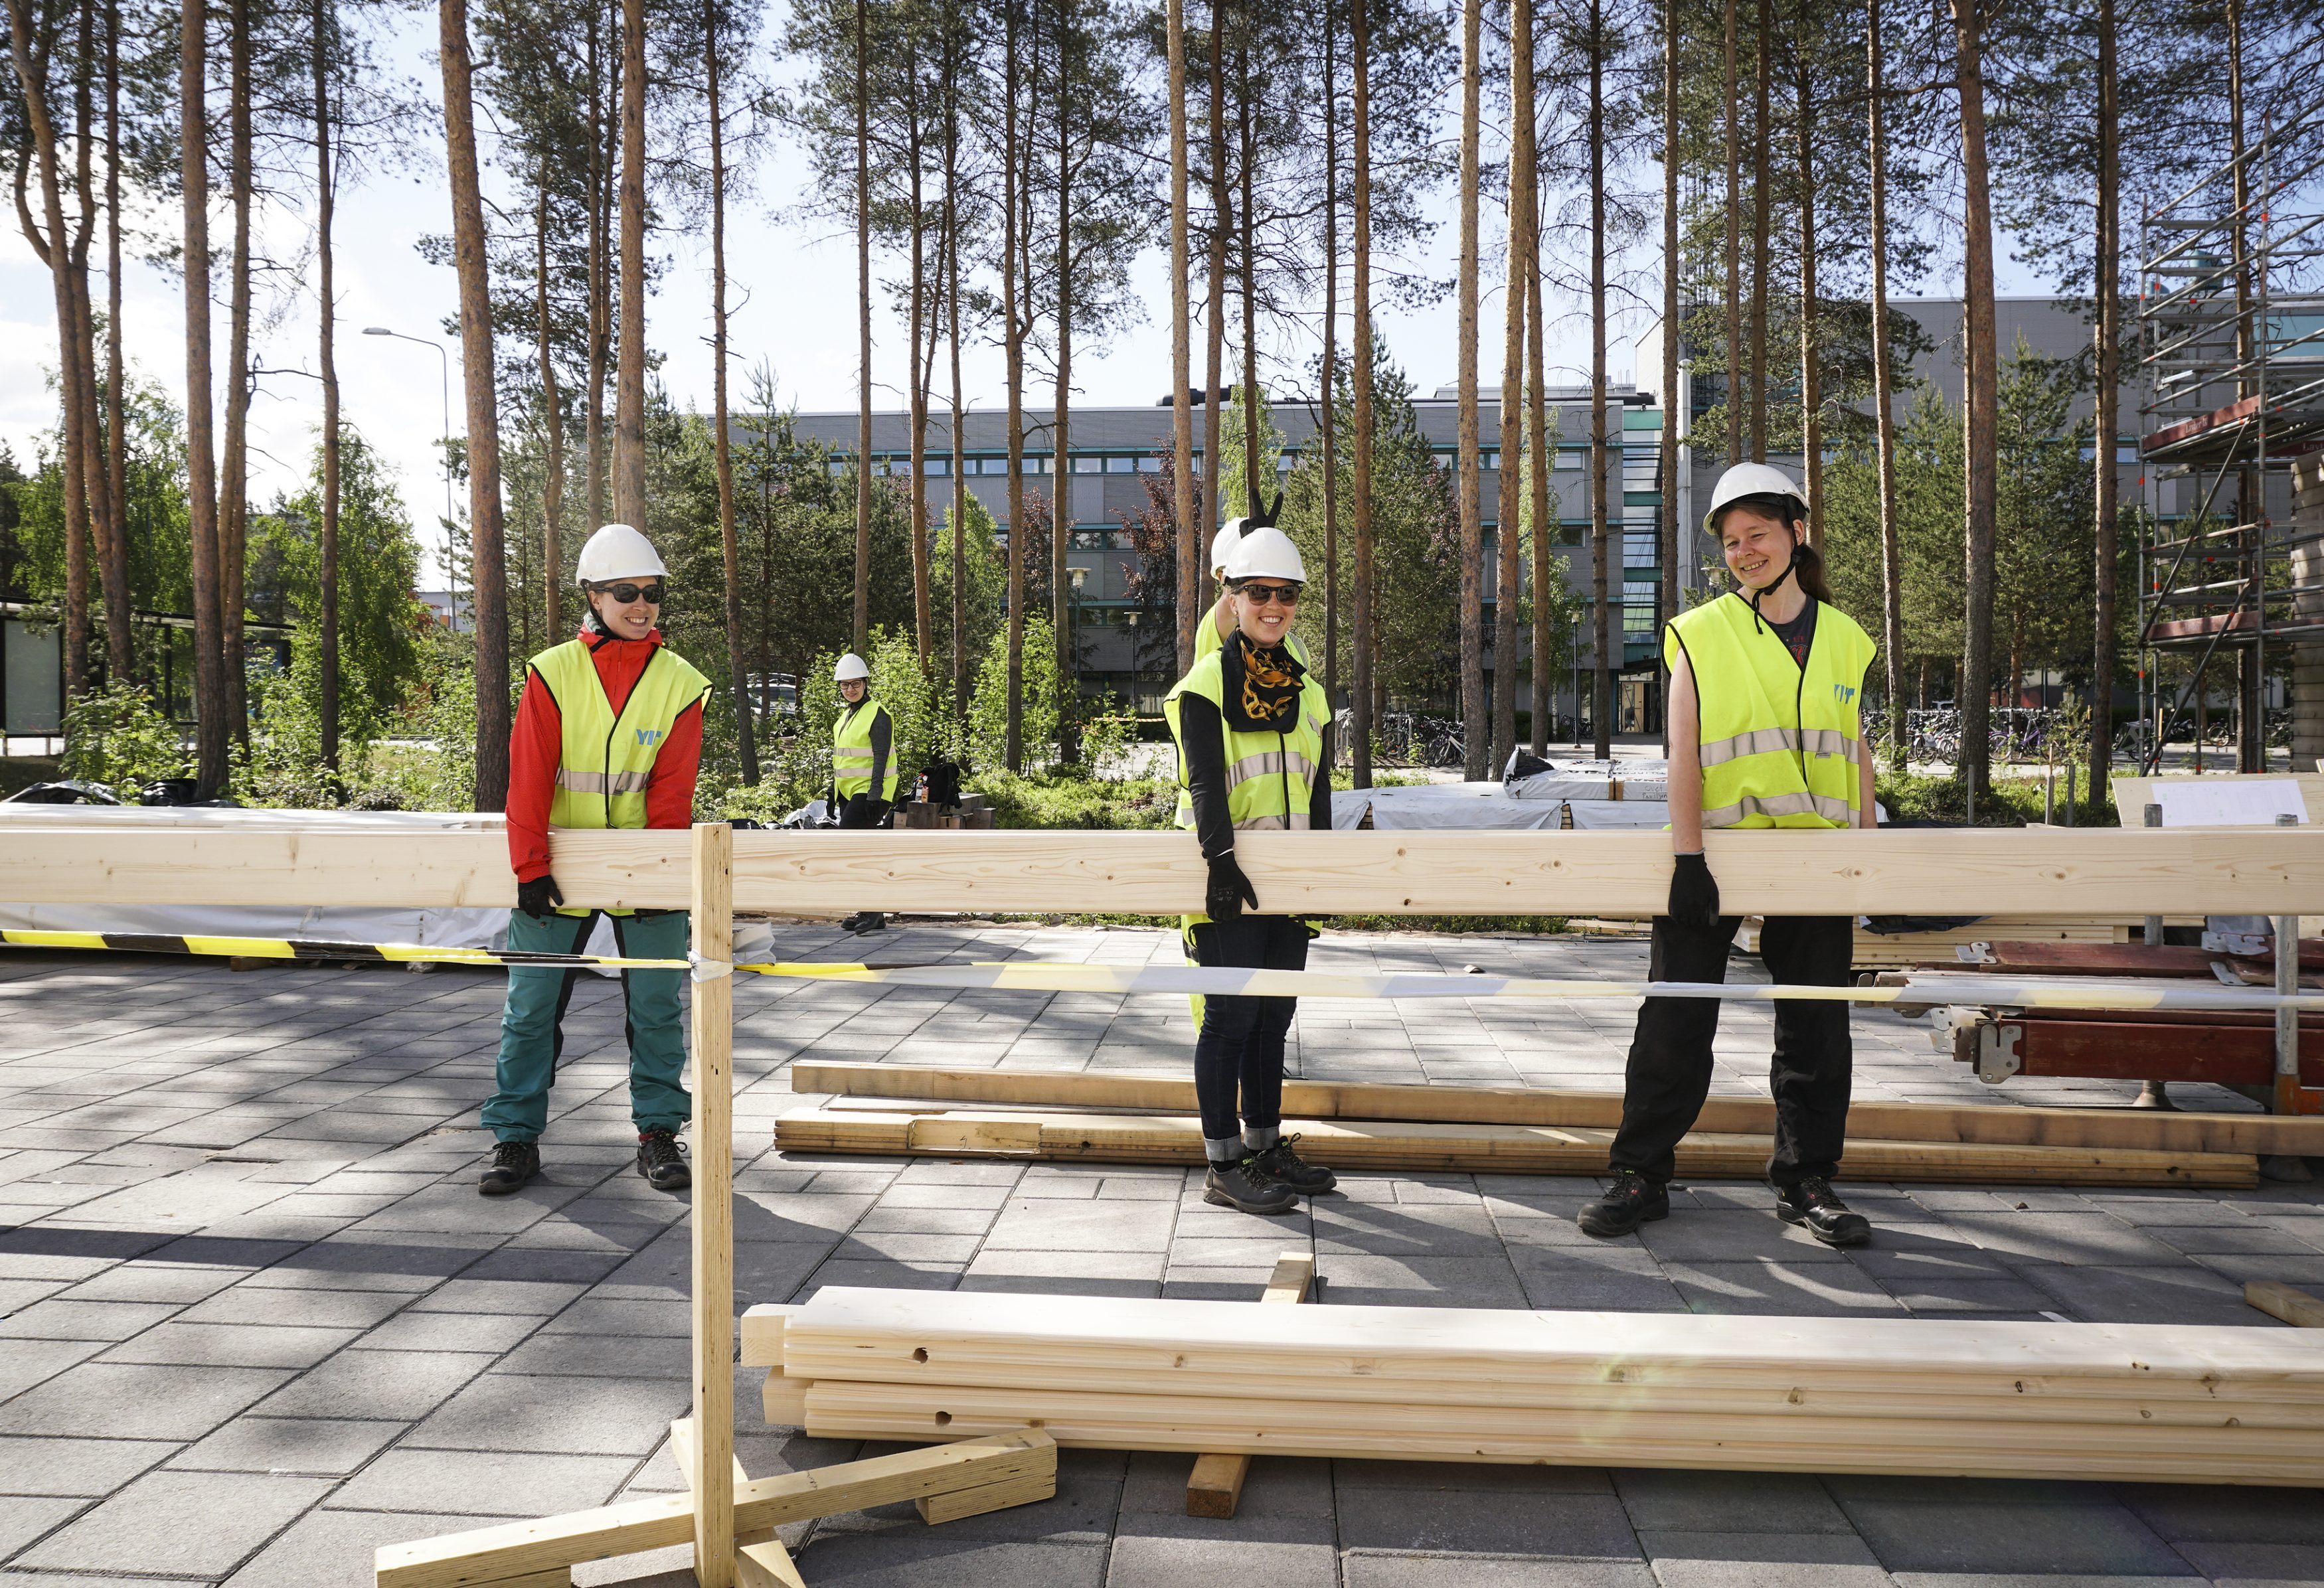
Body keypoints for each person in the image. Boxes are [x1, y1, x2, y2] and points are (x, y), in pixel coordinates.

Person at [1577, 462, 1879, 1248]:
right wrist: (1685, 860)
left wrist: (1868, 861)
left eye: (1758, 535)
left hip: (1814, 859)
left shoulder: (1846, 639)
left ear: (1795, 533)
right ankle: (1639, 1172)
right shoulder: (1701, 633)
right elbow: (1682, 752)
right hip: (1714, 850)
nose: (1744, 552)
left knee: (1816, 1022)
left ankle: (1806, 1178)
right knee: (1675, 1015)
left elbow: (1854, 750)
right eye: (1731, 540)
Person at [481, 522, 712, 1198]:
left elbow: (672, 794)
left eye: (652, 593)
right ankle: (515, 1138)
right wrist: (529, 868)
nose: (641, 605)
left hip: (648, 866)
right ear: (591, 595)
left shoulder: (681, 683)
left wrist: (660, 876)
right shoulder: (552, 673)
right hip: (558, 869)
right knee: (529, 1008)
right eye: (625, 593)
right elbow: (527, 779)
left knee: (658, 1008)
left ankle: (659, 1133)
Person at [1164, 521, 1338, 1215]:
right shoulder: (1203, 685)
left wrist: (1319, 876)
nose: (1273, 605)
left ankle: (1265, 1149)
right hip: (1224, 880)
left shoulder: (1310, 694)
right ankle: (1222, 1163)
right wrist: (1222, 864)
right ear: (1231, 598)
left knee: (1272, 1018)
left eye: (1286, 594)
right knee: (1229, 1020)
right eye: (1258, 592)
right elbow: (1205, 782)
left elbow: (1318, 791)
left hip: (1288, 884)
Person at [1197, 489, 1313, 669]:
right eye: (1257, 589)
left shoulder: (1289, 645)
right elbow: (1234, 601)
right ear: (1222, 577)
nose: (1271, 602)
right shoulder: (1218, 620)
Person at [830, 652, 898, 935]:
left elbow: (881, 757)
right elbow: (842, 759)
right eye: (845, 685)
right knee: (860, 850)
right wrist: (832, 794)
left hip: (870, 792)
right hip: (849, 793)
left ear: (866, 683)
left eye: (855, 683)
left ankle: (873, 910)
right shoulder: (846, 716)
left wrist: (874, 795)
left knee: (852, 849)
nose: (850, 689)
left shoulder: (877, 714)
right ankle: (871, 911)